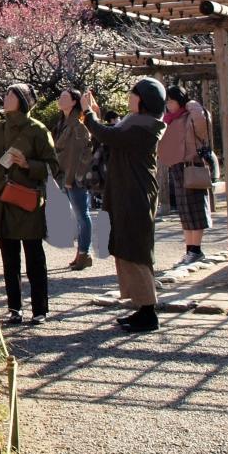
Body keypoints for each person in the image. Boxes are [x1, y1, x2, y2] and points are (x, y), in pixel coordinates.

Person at [82, 80, 166, 333]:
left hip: (135, 194)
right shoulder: (136, 122)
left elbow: (110, 136)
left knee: (136, 250)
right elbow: (111, 135)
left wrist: (88, 115)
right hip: (127, 192)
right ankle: (141, 307)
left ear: (144, 100)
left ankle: (149, 311)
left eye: (134, 94)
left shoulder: (146, 127)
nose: (129, 97)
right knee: (126, 247)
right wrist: (94, 116)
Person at [0, 84, 58, 325]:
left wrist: (27, 165)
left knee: (34, 257)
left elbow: (53, 167)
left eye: (10, 95)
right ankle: (14, 308)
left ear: (22, 100)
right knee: (9, 259)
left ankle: (40, 309)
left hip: (26, 200)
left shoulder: (37, 130)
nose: (4, 98)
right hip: (2, 200)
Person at [158, 85, 212, 267]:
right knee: (184, 210)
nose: (169, 105)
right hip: (177, 166)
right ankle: (190, 249)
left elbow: (202, 122)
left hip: (192, 165)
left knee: (195, 208)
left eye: (171, 101)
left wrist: (191, 104)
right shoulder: (170, 119)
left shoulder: (190, 115)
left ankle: (196, 249)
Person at [53, 88, 95, 270]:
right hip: (66, 174)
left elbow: (76, 152)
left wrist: (70, 178)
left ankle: (85, 253)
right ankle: (82, 252)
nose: (60, 100)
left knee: (82, 214)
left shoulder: (78, 122)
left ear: (74, 102)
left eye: (64, 97)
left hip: (75, 176)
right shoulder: (64, 121)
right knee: (78, 216)